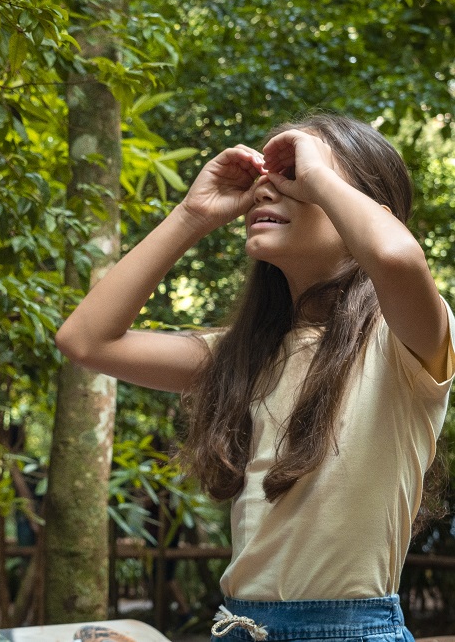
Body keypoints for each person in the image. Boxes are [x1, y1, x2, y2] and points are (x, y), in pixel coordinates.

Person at [56, 113, 454, 641]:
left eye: (296, 177)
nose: (268, 187)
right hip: (239, 626)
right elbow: (85, 340)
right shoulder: (242, 354)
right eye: (269, 178)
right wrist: (192, 215)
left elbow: (395, 255)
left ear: (364, 209)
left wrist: (318, 178)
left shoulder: (406, 341)